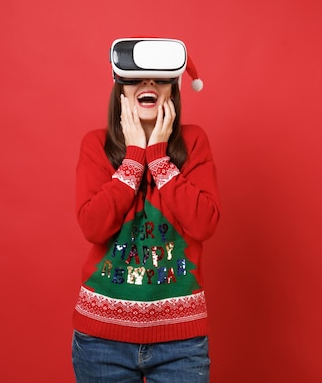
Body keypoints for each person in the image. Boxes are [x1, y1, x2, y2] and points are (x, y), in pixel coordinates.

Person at [71, 38, 221, 383]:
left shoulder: (195, 142)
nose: (148, 84)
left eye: (159, 78)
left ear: (174, 89)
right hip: (101, 341)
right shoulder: (95, 145)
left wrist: (158, 156)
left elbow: (204, 224)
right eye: (137, 78)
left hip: (180, 342)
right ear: (120, 89)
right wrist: (134, 157)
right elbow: (93, 228)